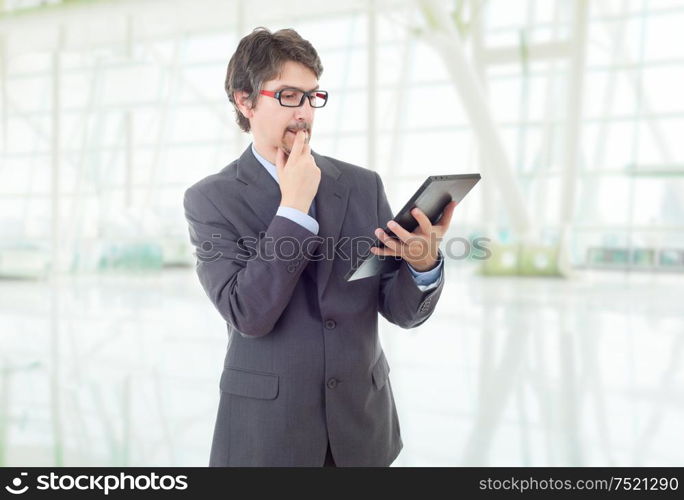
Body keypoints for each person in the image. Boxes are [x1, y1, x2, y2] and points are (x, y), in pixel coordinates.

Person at [183, 27, 457, 467]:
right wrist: (292, 208)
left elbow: (399, 310)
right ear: (245, 101)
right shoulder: (211, 199)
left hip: (362, 430)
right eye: (289, 96)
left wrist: (422, 266)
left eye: (313, 96)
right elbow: (247, 314)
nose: (305, 112)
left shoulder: (362, 186)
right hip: (267, 436)